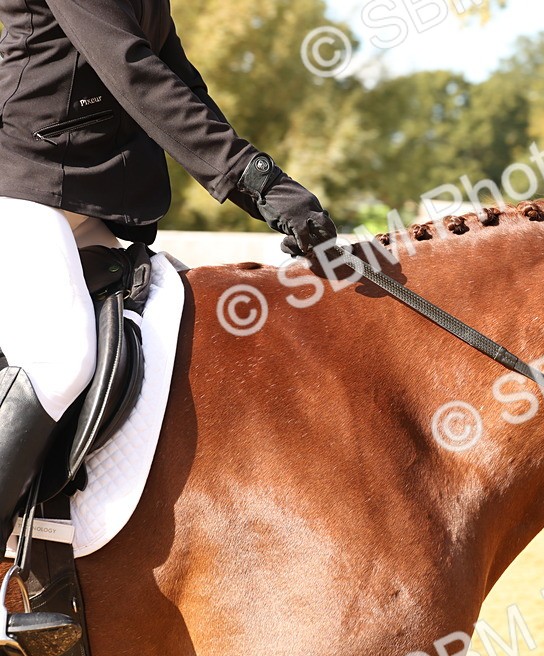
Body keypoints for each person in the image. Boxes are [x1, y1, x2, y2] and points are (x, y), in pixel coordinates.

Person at [0, 0, 338, 530]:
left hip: (84, 201)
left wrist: (266, 190)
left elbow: (180, 79)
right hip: (20, 186)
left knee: (180, 329)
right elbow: (132, 68)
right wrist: (254, 178)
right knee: (61, 362)